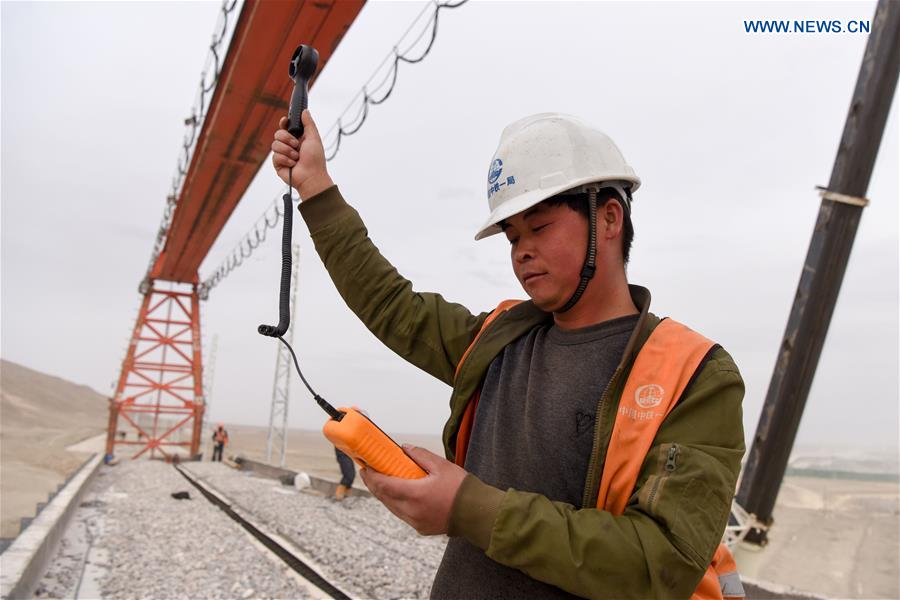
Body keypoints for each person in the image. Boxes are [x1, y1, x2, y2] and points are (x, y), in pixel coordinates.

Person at [271, 111, 746, 599]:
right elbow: (393, 306)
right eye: (514, 236)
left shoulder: (695, 375)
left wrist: (468, 507)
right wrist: (316, 186)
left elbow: (660, 562)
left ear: (609, 218)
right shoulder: (498, 341)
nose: (521, 251)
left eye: (539, 227)